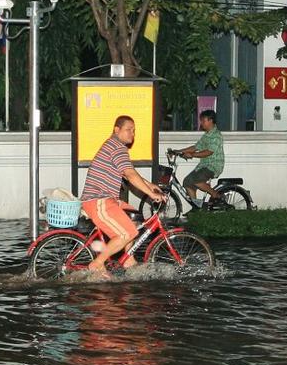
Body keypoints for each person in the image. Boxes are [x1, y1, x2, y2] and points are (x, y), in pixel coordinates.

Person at [80, 115, 165, 277]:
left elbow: (127, 173)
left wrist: (150, 185)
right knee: (127, 233)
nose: (132, 133)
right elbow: (130, 174)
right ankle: (97, 263)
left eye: (134, 130)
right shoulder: (117, 147)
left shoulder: (115, 146)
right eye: (128, 130)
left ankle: (128, 259)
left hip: (107, 199)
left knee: (134, 218)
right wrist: (150, 194)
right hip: (98, 200)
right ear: (116, 130)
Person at [176, 109, 224, 207]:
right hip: (204, 165)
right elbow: (195, 147)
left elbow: (208, 152)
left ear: (210, 120)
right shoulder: (206, 135)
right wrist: (179, 151)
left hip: (213, 166)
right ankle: (196, 207)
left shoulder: (216, 135)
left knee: (195, 180)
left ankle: (215, 194)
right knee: (187, 182)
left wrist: (192, 155)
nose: (201, 123)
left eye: (203, 120)